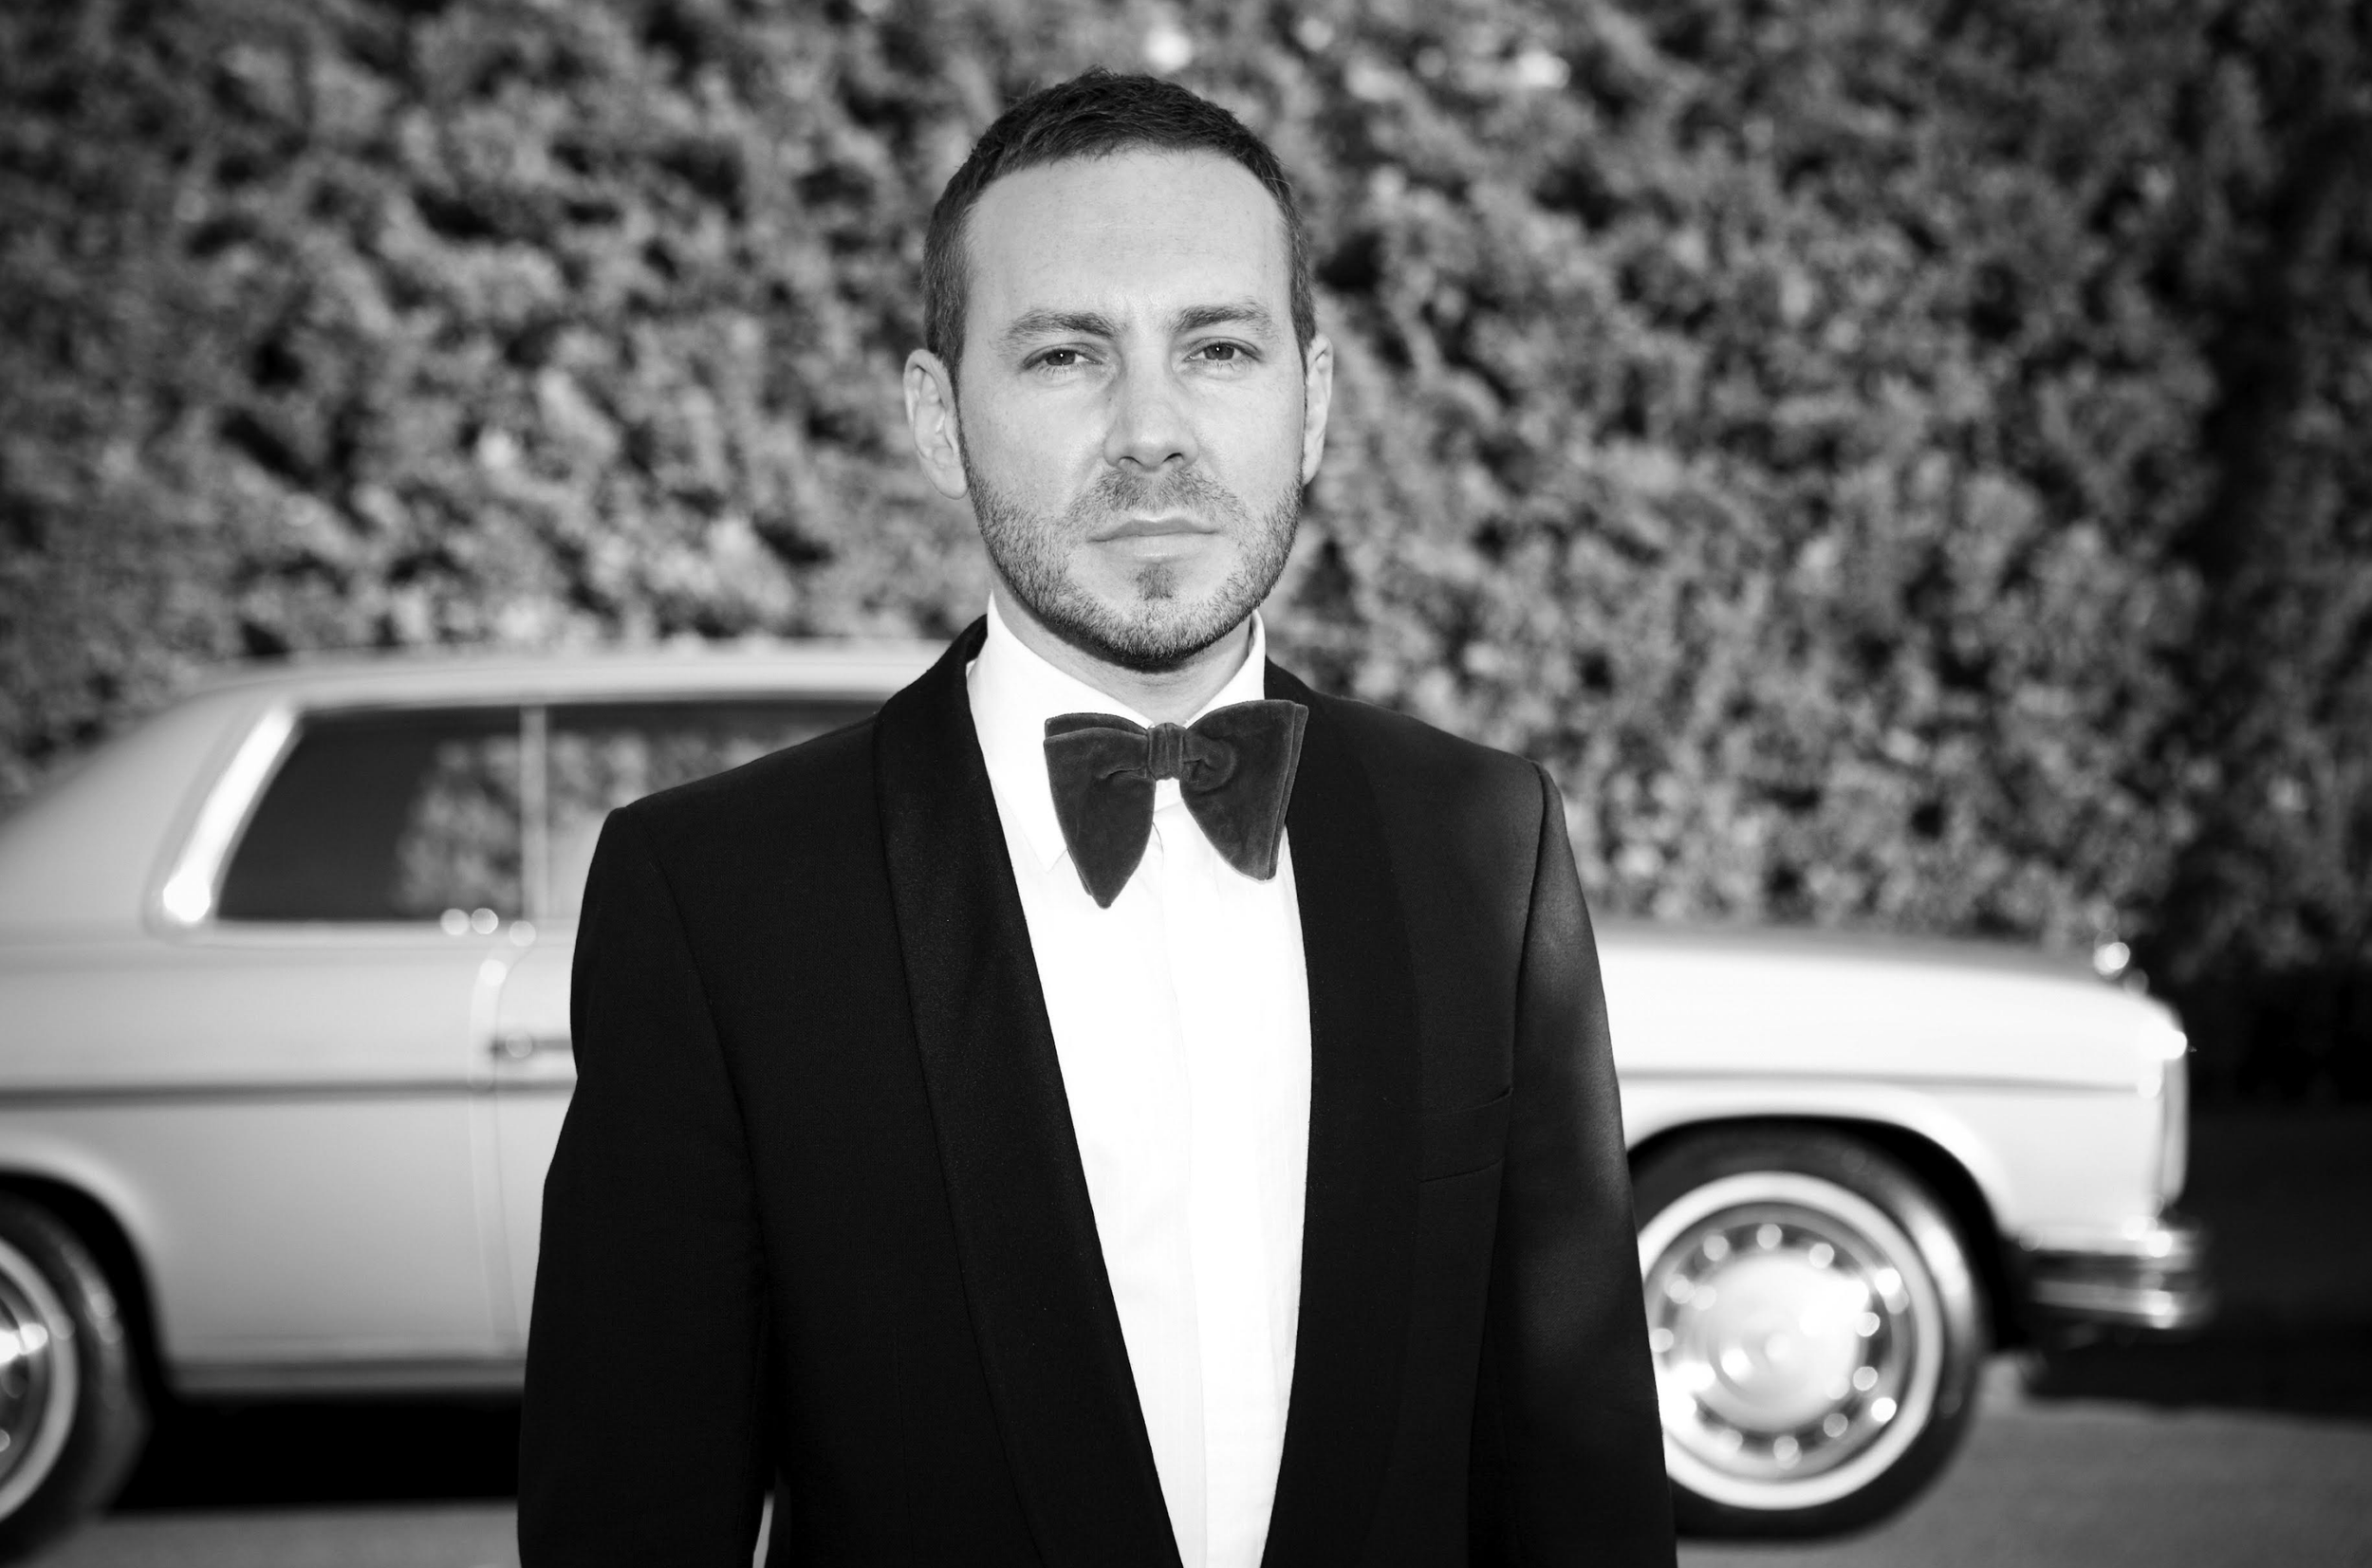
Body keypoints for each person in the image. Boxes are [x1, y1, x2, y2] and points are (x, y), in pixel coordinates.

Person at [519, 69, 1675, 1568]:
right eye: (1066, 354)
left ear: (1311, 405)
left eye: (1218, 347)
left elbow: (1576, 1469)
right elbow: (629, 1518)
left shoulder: (1487, 842)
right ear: (940, 422)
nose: (1152, 431)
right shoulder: (719, 900)